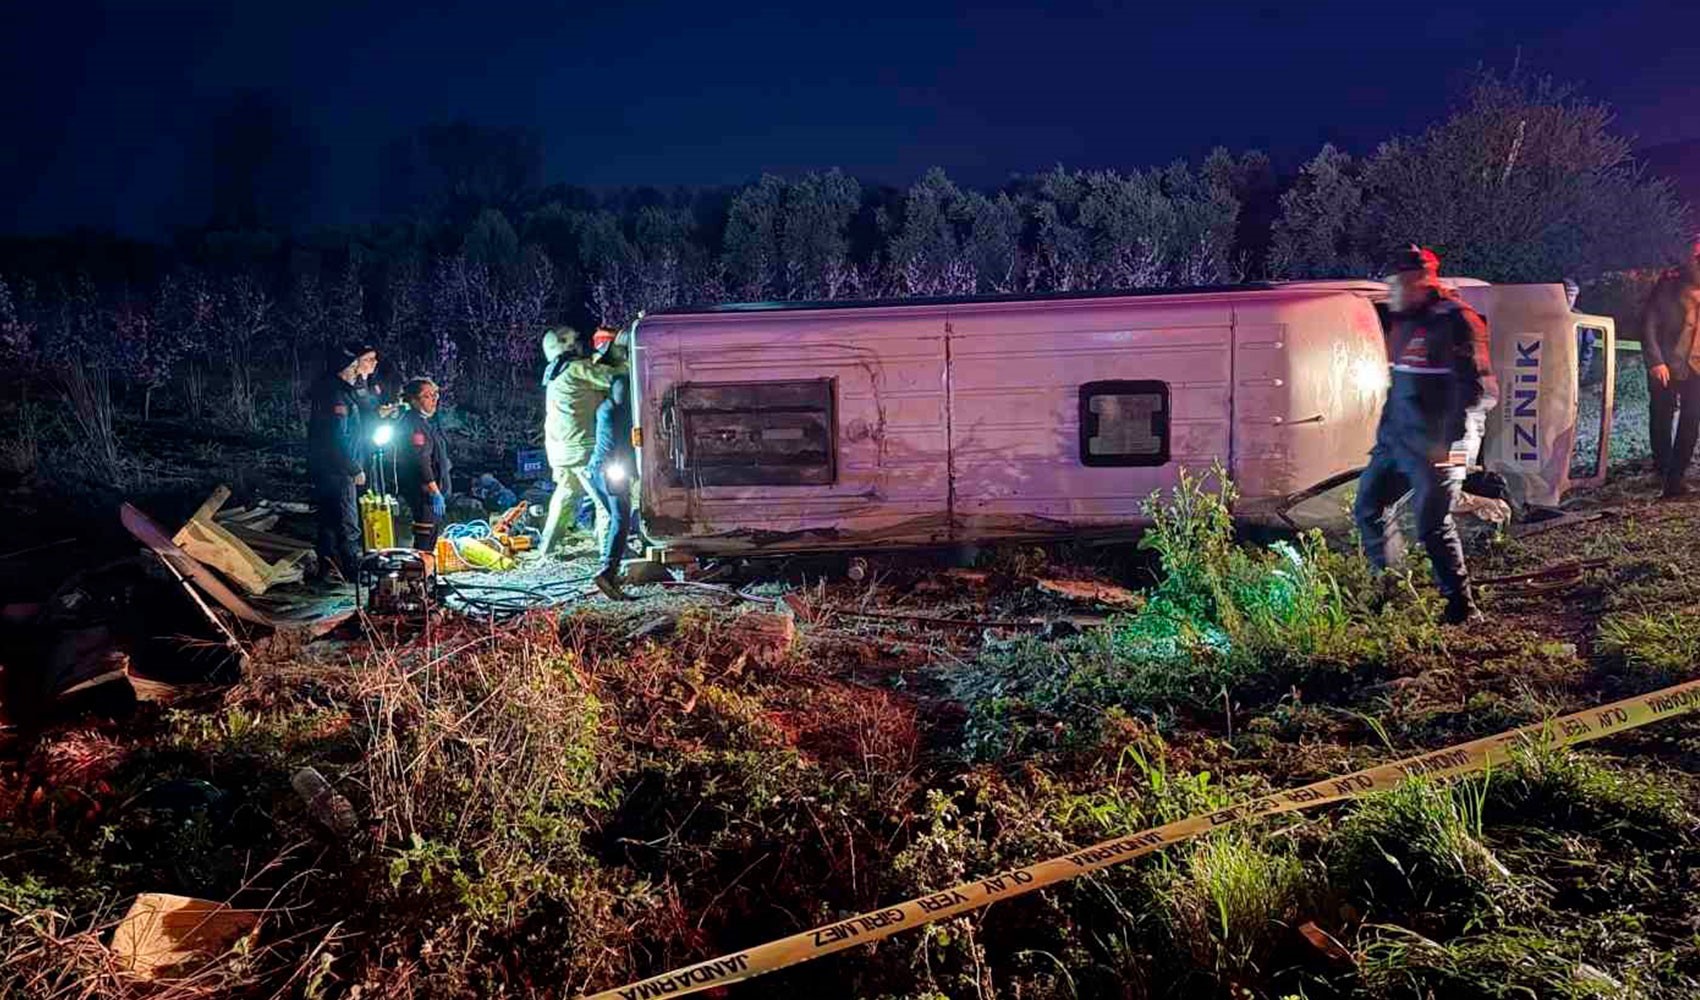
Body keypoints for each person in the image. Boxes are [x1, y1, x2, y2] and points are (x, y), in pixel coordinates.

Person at [1354, 246, 1499, 624]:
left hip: (1444, 444)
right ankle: (1390, 590)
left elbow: (1478, 392)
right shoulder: (1404, 320)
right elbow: (1397, 386)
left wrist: (1450, 447)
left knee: (1431, 522)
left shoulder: (1456, 320)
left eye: (1400, 281)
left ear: (1423, 278)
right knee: (1370, 507)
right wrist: (1385, 438)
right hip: (1400, 441)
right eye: (1392, 281)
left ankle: (1462, 608)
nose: (1394, 289)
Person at [539, 327, 622, 558]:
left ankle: (546, 548)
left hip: (559, 449)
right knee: (606, 502)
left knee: (565, 495)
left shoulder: (553, 372)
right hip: (581, 449)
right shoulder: (577, 368)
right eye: (574, 341)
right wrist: (623, 356)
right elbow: (616, 378)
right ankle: (611, 554)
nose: (579, 344)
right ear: (564, 345)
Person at [306, 343, 376, 583]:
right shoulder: (336, 395)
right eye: (354, 366)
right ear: (343, 368)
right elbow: (337, 437)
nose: (357, 370)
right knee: (348, 522)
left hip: (326, 467)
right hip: (338, 469)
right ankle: (353, 572)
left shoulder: (337, 390)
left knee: (327, 519)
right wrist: (353, 467)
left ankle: (326, 569)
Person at [1640, 252, 1700, 499]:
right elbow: (1648, 325)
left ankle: (1676, 477)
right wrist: (1656, 361)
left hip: (1696, 368)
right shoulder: (1668, 290)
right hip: (1667, 364)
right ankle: (1662, 466)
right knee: (1662, 414)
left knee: (1691, 419)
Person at [586, 335, 636, 599]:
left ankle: (611, 572)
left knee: (621, 520)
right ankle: (607, 573)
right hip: (611, 469)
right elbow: (621, 444)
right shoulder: (620, 403)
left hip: (598, 469)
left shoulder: (606, 405)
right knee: (620, 520)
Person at [395, 377, 452, 552]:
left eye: (435, 394)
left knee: (430, 534)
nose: (434, 399)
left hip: (430, 489)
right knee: (425, 535)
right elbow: (421, 461)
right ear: (413, 400)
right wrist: (434, 490)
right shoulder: (414, 424)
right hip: (423, 490)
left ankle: (425, 573)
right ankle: (418, 575)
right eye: (427, 396)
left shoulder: (425, 422)